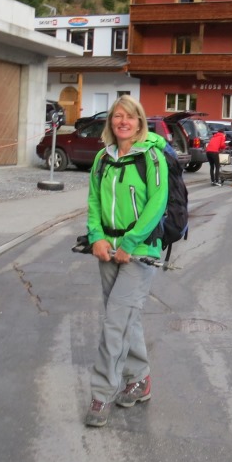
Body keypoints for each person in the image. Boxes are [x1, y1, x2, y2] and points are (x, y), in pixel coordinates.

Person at [84, 95, 169, 428]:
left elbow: (157, 204)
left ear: (139, 122)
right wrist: (96, 237)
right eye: (117, 116)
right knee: (125, 319)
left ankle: (102, 394)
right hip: (107, 250)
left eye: (129, 117)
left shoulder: (152, 157)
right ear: (111, 122)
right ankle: (140, 379)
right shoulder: (102, 158)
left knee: (115, 323)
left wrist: (130, 243)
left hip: (140, 251)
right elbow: (93, 200)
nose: (123, 121)